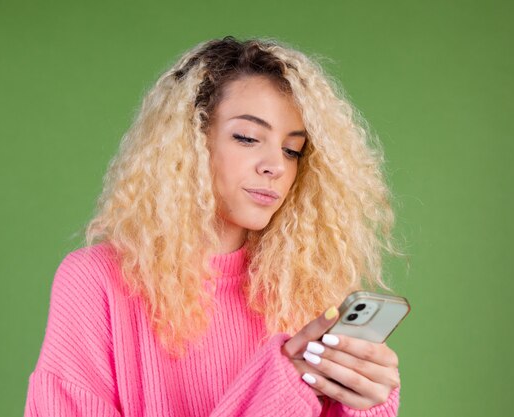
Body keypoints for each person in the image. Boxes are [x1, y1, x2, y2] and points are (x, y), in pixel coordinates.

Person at [24, 36, 402, 417]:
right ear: (190, 141)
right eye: (248, 138)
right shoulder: (96, 281)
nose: (275, 165)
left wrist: (366, 404)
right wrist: (277, 394)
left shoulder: (305, 291)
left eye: (292, 150)